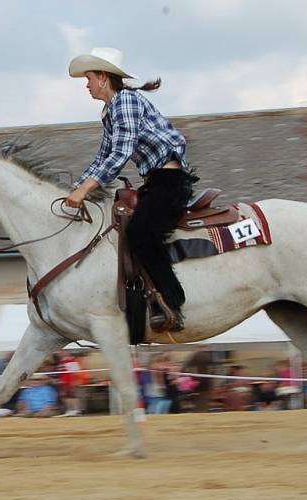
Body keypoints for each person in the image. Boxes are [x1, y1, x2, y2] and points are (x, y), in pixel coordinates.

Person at [65, 47, 195, 331]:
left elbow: (119, 154)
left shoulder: (125, 101)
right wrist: (73, 190)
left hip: (169, 180)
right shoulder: (111, 111)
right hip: (156, 180)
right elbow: (103, 157)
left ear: (102, 77)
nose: (86, 86)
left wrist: (85, 190)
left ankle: (173, 304)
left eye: (88, 79)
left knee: (140, 232)